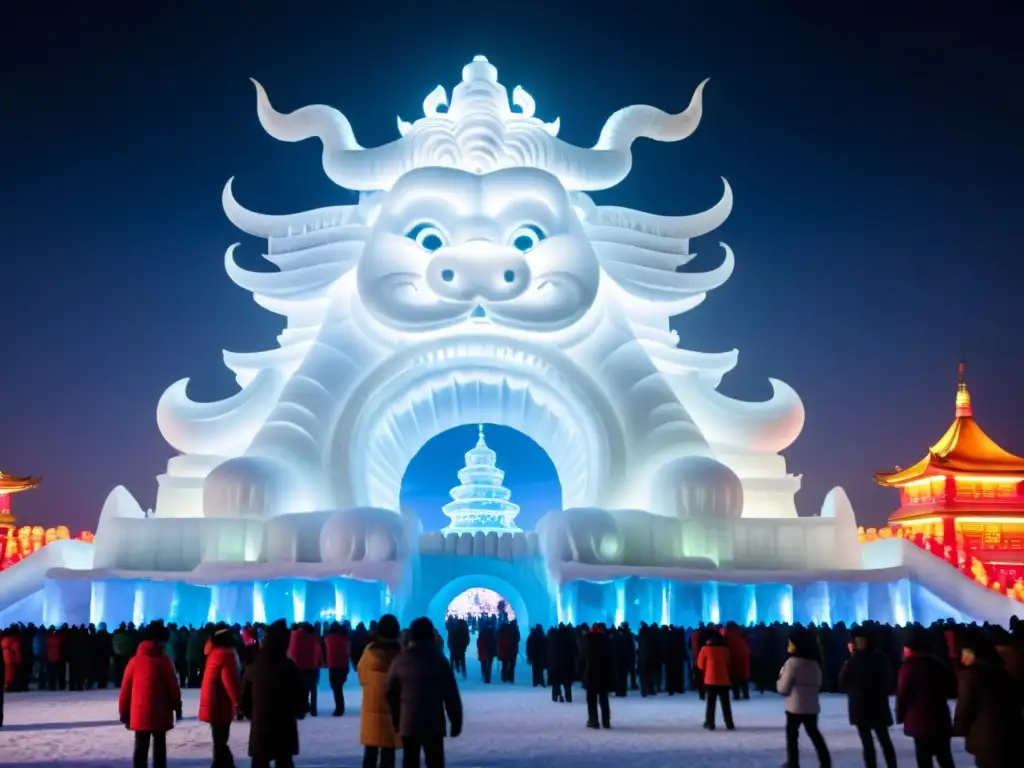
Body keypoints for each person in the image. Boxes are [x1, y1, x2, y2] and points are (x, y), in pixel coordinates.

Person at [387, 617, 463, 768]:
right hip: (434, 721)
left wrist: (397, 719)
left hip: (409, 721)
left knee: (410, 761)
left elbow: (391, 693)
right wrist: (455, 720)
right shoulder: (439, 660)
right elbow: (451, 694)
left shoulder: (401, 660)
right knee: (435, 761)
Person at [241, 619, 308, 768]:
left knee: (260, 761)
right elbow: (302, 694)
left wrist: (254, 715)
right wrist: (299, 711)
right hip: (285, 728)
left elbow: (244, 700)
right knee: (284, 761)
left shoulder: (253, 667)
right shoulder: (290, 667)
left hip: (261, 727)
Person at [953, 632, 1021, 768]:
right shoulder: (1002, 671)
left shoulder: (970, 675)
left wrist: (958, 728)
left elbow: (964, 708)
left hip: (987, 738)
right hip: (1012, 734)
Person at [118, 625, 183, 768]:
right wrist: (177, 707)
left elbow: (125, 689)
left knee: (141, 748)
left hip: (139, 713)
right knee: (159, 748)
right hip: (161, 713)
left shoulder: (134, 661)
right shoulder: (165, 661)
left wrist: (123, 712)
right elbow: (173, 687)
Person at [838, 626, 897, 768]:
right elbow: (888, 681)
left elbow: (842, 682)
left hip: (860, 707)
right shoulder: (881, 658)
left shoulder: (853, 661)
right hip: (879, 706)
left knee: (867, 744)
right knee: (885, 741)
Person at [896, 628, 954, 768]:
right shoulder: (938, 665)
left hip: (919, 720)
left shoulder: (909, 668)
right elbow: (950, 687)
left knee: (924, 758)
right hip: (940, 718)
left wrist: (900, 715)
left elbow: (903, 693)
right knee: (945, 757)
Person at [778, 629, 831, 768]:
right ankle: (825, 762)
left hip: (794, 706)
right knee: (815, 734)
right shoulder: (815, 663)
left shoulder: (792, 663)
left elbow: (783, 687)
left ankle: (793, 762)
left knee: (792, 736)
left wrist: (780, 677)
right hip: (812, 706)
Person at [358, 614, 404, 768]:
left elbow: (362, 677)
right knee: (388, 754)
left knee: (370, 754)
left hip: (372, 712)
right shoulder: (402, 655)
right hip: (394, 712)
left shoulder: (369, 652)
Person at [199, 626, 242, 768]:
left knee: (218, 740)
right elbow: (229, 680)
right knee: (221, 740)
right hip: (220, 702)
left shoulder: (214, 652)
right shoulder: (226, 654)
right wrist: (236, 702)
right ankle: (222, 765)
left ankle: (221, 764)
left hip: (211, 701)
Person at [697, 632, 734, 730]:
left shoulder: (705, 649)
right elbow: (728, 663)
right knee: (725, 704)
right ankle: (729, 724)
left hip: (710, 680)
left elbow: (700, 665)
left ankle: (710, 723)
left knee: (710, 703)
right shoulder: (725, 649)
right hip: (724, 680)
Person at [582, 623, 615, 729]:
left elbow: (582, 658)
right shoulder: (606, 641)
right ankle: (606, 721)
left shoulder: (586, 641)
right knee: (604, 699)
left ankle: (593, 720)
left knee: (591, 699)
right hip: (603, 673)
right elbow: (611, 658)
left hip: (591, 672)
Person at [288, 622, 322, 717]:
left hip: (300, 667)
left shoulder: (296, 635)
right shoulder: (314, 636)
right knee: (313, 688)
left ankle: (303, 708)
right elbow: (318, 650)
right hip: (313, 666)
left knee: (302, 688)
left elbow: (292, 652)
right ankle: (313, 709)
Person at [325, 622, 351, 717]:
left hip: (333, 666)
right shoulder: (345, 639)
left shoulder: (329, 639)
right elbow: (348, 652)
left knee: (335, 688)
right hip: (342, 665)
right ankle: (340, 707)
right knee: (338, 688)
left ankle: (339, 708)